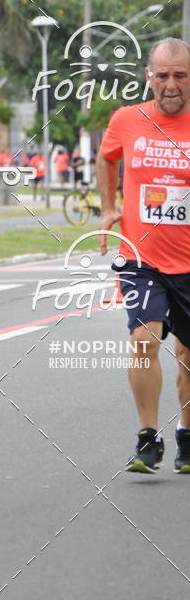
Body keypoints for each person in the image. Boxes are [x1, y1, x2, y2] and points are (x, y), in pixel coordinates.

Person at [97, 37, 190, 474]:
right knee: (143, 339)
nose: (171, 85)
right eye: (163, 75)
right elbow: (106, 157)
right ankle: (148, 437)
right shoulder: (126, 120)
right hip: (141, 256)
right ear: (149, 76)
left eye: (180, 76)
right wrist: (107, 207)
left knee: (188, 356)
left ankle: (186, 436)